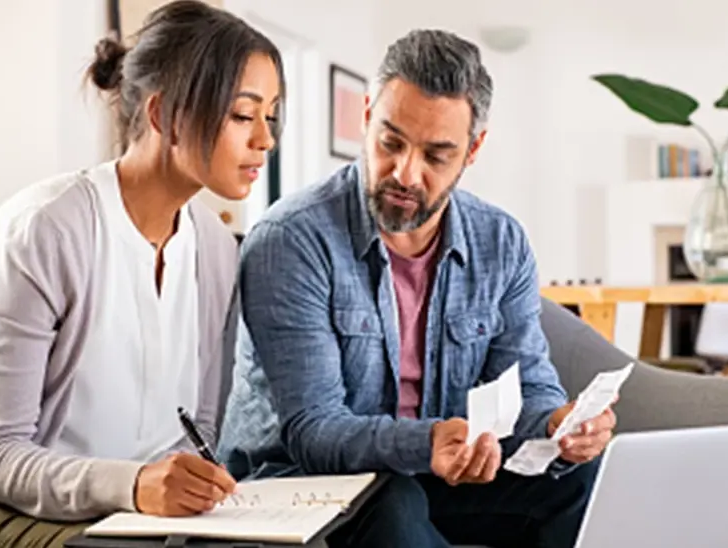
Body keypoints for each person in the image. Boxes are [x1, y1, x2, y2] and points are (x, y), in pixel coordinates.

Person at [218, 28, 616, 548]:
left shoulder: (501, 242)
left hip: (434, 473)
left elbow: (528, 387)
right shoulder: (291, 239)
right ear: (366, 117)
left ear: (473, 150)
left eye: (436, 156)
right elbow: (313, 430)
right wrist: (427, 442)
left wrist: (560, 426)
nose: (406, 173)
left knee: (582, 480)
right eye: (391, 142)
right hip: (300, 484)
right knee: (395, 502)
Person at [0, 2, 284, 546]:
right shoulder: (44, 230)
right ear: (164, 116)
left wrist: (191, 490)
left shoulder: (215, 249)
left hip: (134, 519)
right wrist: (132, 485)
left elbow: (197, 430)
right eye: (242, 115)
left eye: (270, 115)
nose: (265, 140)